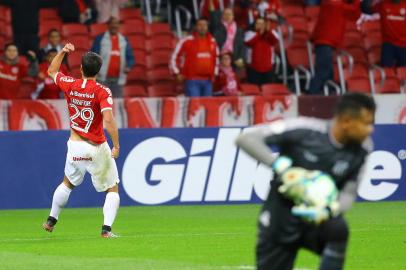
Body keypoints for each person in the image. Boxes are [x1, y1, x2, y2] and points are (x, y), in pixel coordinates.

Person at [236, 92, 376, 270]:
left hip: (316, 219)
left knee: (338, 229)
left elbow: (349, 192)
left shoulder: (363, 148)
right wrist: (279, 166)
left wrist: (331, 209)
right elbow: (246, 138)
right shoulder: (304, 129)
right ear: (347, 121)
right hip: (280, 219)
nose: (371, 129)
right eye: (366, 123)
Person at [42, 43, 121, 238]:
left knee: (67, 183)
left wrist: (62, 51)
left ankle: (51, 220)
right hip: (97, 146)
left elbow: (52, 70)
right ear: (99, 70)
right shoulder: (103, 91)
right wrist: (116, 145)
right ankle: (106, 229)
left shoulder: (70, 84)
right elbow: (108, 119)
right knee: (112, 187)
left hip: (75, 145)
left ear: (81, 68)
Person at [309, 0, 361, 94]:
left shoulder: (334, 3)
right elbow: (354, 12)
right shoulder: (335, 4)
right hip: (325, 41)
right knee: (324, 72)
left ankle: (320, 95)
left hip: (327, 42)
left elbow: (354, 15)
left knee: (327, 72)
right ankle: (312, 96)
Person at [170, 19, 219, 97]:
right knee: (195, 107)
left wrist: (215, 73)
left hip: (208, 81)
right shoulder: (186, 41)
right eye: (200, 25)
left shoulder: (213, 41)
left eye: (204, 25)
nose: (202, 27)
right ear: (196, 27)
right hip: (192, 80)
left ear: (207, 27)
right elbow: (174, 56)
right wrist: (177, 73)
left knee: (207, 107)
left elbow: (216, 58)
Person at [91, 16, 135, 98]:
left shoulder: (124, 40)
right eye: (112, 23)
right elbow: (93, 56)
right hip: (102, 79)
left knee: (117, 103)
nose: (114, 26)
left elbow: (130, 57)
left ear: (119, 26)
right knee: (101, 102)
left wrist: (128, 66)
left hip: (119, 80)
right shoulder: (100, 39)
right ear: (108, 25)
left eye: (116, 24)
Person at [361, 0, 406, 67]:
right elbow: (366, 9)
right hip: (388, 44)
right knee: (386, 71)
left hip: (404, 46)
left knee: (403, 73)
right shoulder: (383, 4)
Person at [208, 0, 245, 69]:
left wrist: (240, 58)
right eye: (225, 14)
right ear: (222, 16)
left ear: (233, 16)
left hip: (233, 58)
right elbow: (212, 13)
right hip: (219, 57)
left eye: (229, 14)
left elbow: (241, 45)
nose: (227, 16)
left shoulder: (239, 30)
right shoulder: (217, 26)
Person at [245, 17, 278, 86]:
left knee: (268, 89)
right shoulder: (250, 33)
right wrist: (259, 34)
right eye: (258, 23)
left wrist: (268, 31)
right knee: (255, 89)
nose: (260, 26)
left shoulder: (271, 33)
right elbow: (249, 42)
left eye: (262, 24)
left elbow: (275, 40)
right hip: (253, 68)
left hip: (268, 68)